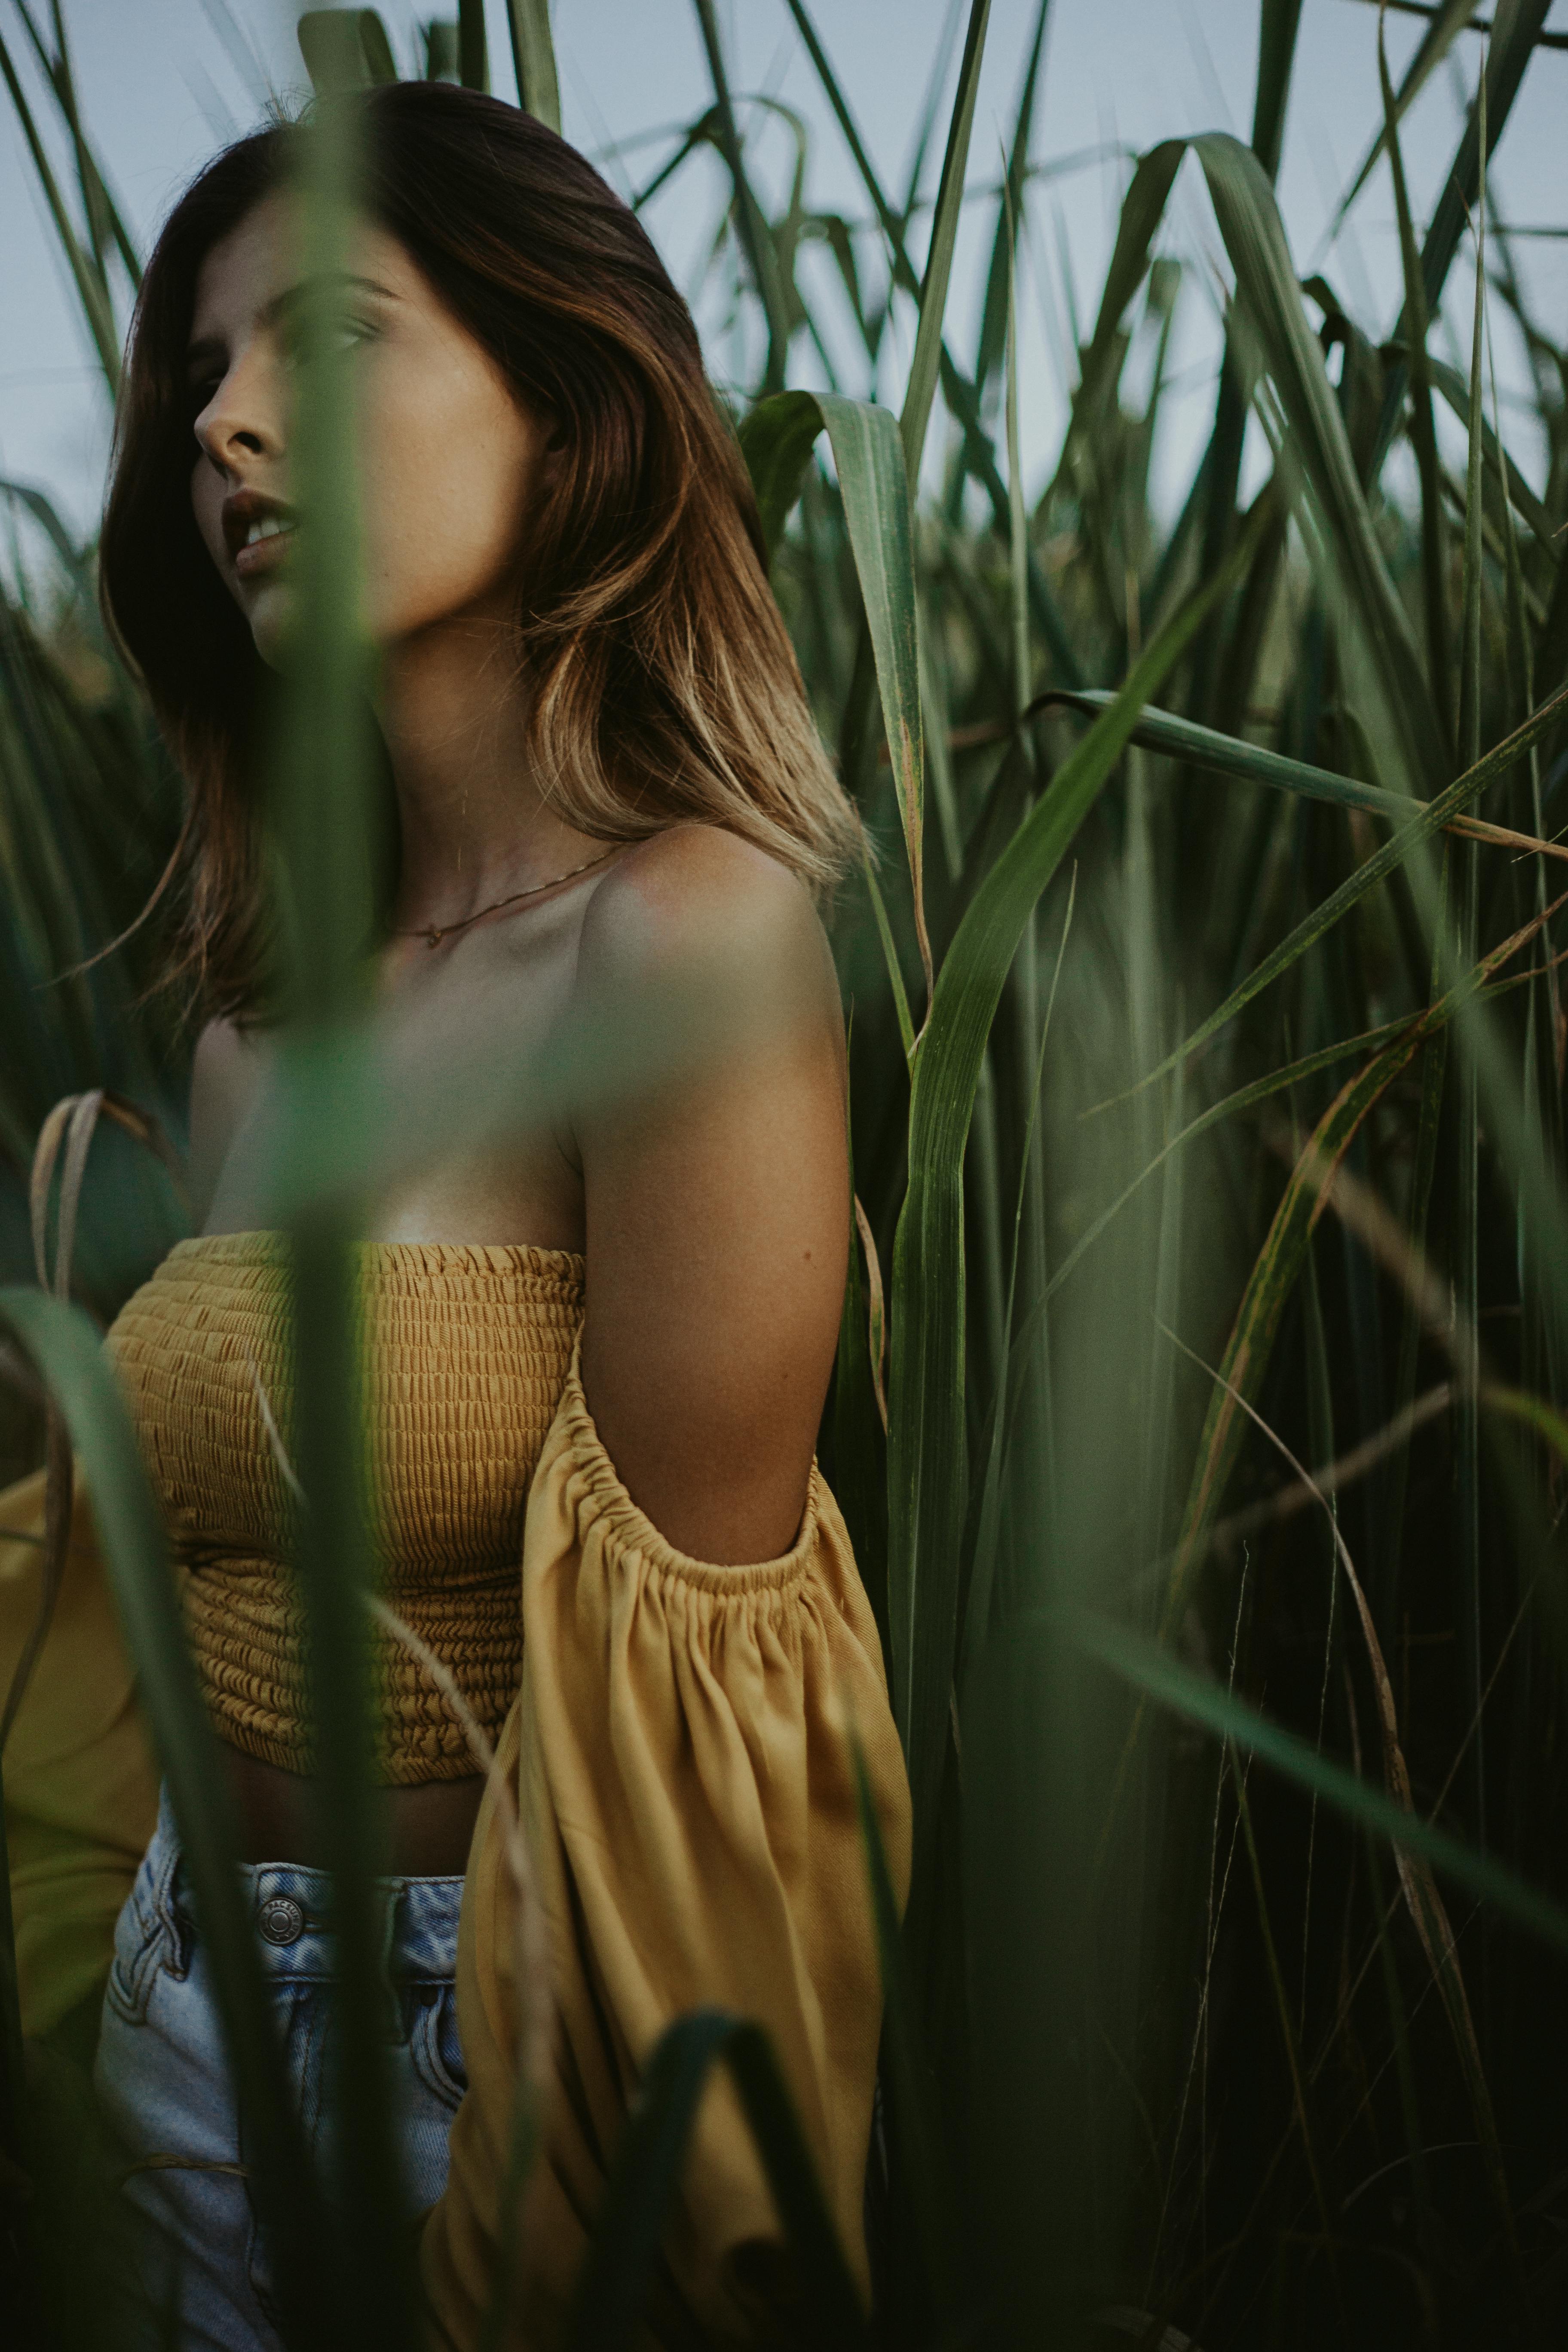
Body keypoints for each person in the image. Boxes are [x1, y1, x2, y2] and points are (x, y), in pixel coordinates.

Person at [15, 77, 910, 2350]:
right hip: (159, 2022)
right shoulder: (257, 1040)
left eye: (316, 341)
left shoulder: (683, 949)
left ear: (570, 405)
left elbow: (693, 1755)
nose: (225, 425)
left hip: (473, 2088)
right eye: (199, 375)